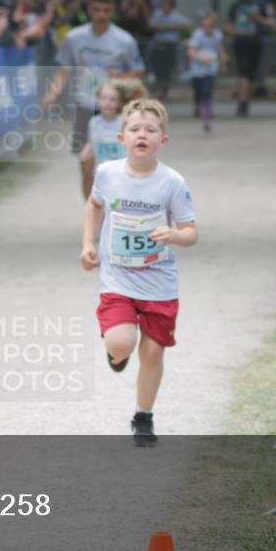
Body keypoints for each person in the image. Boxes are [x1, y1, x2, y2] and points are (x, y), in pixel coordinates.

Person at [80, 98, 198, 447]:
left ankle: (143, 416)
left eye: (150, 130)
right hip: (117, 278)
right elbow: (94, 205)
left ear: (163, 139)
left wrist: (174, 235)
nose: (142, 134)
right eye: (134, 129)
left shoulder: (172, 182)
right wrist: (88, 244)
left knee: (153, 352)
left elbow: (191, 231)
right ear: (121, 138)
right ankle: (116, 352)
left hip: (159, 283)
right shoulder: (107, 173)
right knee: (121, 343)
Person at [42, 0, 144, 203]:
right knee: (86, 165)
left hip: (114, 108)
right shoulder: (74, 37)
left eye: (106, 10)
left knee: (119, 163)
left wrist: (120, 76)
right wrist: (52, 93)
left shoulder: (124, 40)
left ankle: (119, 208)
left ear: (113, 11)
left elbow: (138, 71)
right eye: (96, 10)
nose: (101, 15)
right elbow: (64, 69)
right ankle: (93, 211)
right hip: (85, 105)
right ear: (89, 10)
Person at [76, 78, 147, 197]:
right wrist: (85, 151)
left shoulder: (124, 122)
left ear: (120, 103)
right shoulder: (94, 122)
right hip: (101, 170)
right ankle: (90, 205)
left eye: (112, 100)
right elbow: (92, 142)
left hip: (122, 171)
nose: (107, 103)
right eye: (103, 98)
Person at [227, 0, 272, 116]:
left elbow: (270, 22)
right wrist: (231, 30)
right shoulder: (236, 5)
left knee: (251, 75)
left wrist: (258, 18)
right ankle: (242, 102)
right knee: (243, 72)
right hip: (241, 42)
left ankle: (246, 101)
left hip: (256, 42)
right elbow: (230, 24)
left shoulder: (262, 4)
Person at [187, 11, 227, 132]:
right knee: (198, 94)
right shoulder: (197, 35)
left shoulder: (218, 35)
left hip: (210, 70)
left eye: (210, 25)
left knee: (207, 93)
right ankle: (199, 106)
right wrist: (202, 58)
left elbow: (219, 49)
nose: (207, 27)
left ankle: (207, 119)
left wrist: (223, 61)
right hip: (197, 69)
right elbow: (190, 52)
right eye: (205, 25)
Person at [147, 0, 190, 100]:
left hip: (170, 45)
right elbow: (151, 24)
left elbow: (187, 24)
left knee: (168, 68)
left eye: (166, 5)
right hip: (158, 44)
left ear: (172, 6)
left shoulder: (176, 16)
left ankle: (164, 91)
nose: (164, 7)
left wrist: (168, 27)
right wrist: (168, 27)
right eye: (163, 5)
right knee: (157, 66)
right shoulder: (158, 14)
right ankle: (157, 87)